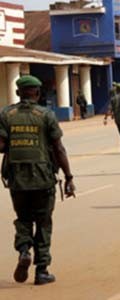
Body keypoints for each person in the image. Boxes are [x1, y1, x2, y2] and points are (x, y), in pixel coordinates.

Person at [0, 75, 76, 285]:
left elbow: (0, 146)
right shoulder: (46, 115)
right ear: (38, 93)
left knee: (23, 219)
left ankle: (24, 250)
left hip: (18, 179)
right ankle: (41, 271)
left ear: (18, 93)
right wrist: (69, 177)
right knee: (43, 223)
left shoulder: (6, 114)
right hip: (43, 178)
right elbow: (59, 149)